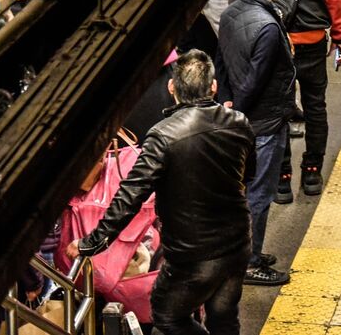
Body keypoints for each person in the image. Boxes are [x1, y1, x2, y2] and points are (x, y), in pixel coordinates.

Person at [65, 51, 256, 335]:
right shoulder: (239, 122)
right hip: (237, 242)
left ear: (172, 88)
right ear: (213, 86)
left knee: (167, 313)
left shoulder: (162, 136)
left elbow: (131, 194)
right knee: (224, 317)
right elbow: (248, 174)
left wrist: (92, 243)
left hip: (191, 251)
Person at [247, 0, 341, 201]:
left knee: (278, 109)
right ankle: (312, 172)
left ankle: (282, 176)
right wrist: (340, 35)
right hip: (313, 41)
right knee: (316, 105)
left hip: (273, 41)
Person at [216, 0, 297, 286]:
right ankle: (250, 263)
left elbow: (221, 60)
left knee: (242, 190)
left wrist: (226, 102)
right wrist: (241, 105)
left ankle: (248, 252)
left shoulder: (231, 13)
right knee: (259, 195)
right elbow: (256, 77)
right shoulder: (266, 26)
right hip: (263, 122)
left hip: (239, 116)